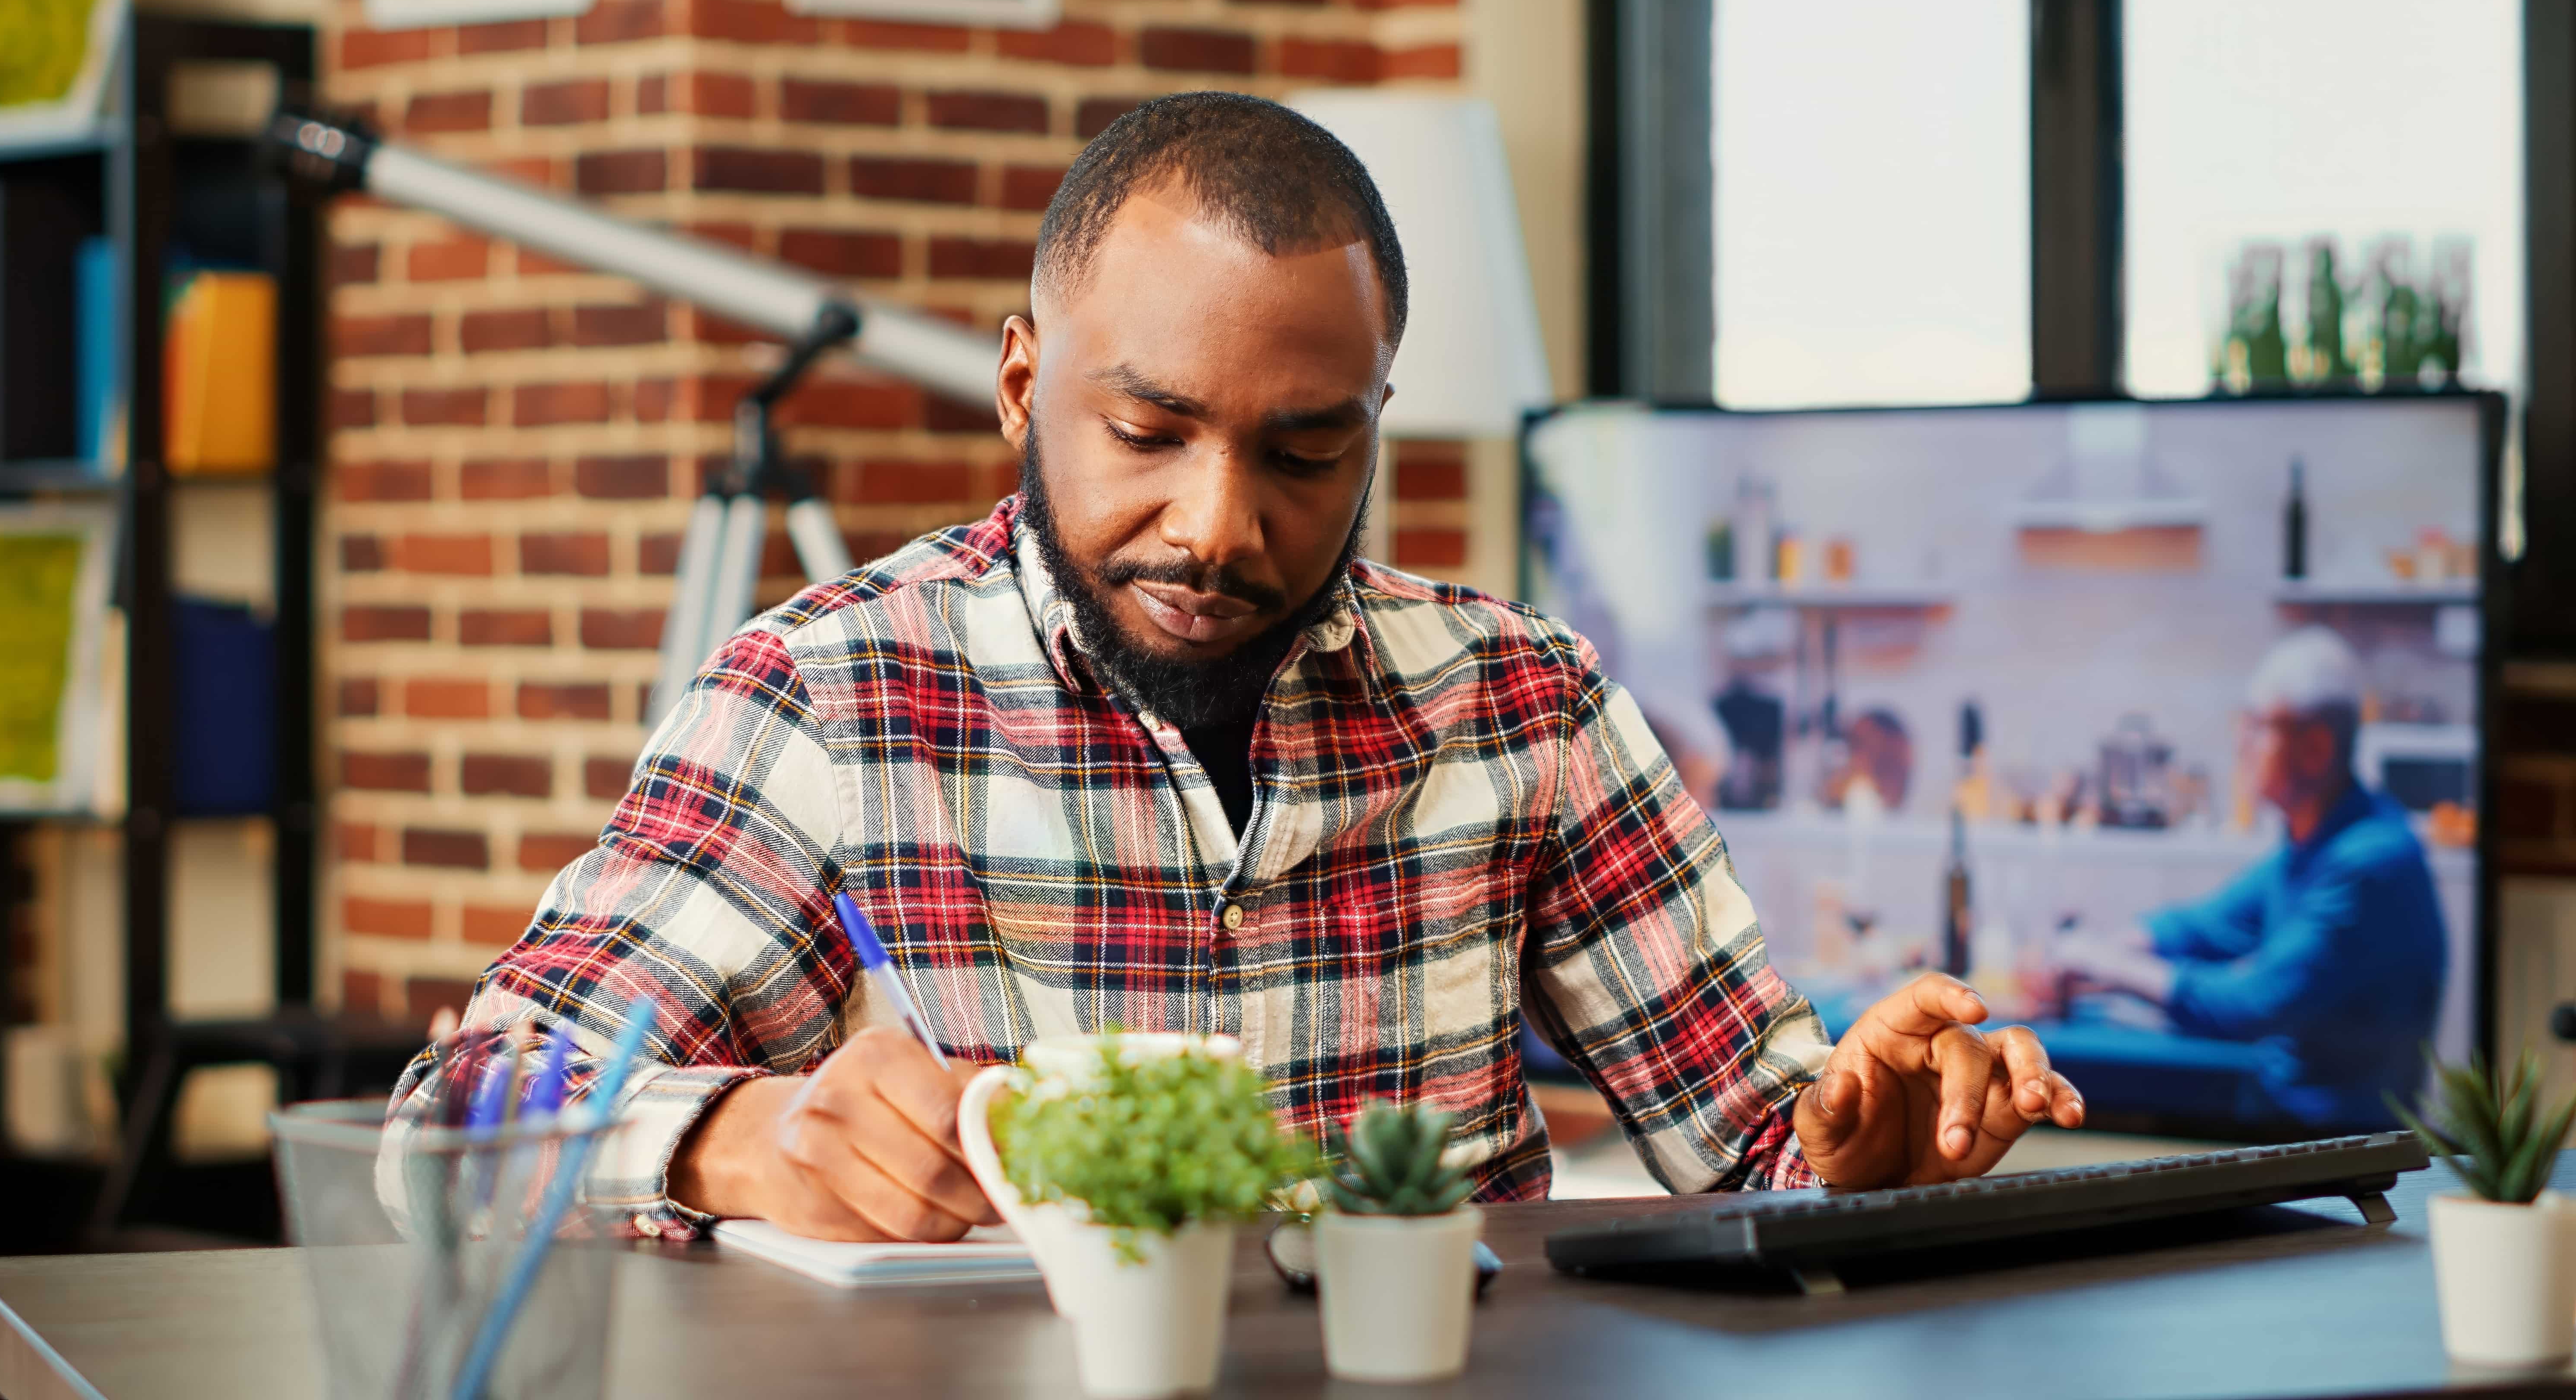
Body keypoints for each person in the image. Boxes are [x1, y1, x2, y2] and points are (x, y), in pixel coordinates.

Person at [393, 93, 2083, 1243]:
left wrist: (1864, 1145)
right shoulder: (831, 697)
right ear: (1016, 383)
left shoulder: (1522, 705)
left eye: (1303, 453)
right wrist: (730, 1142)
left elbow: (1767, 1146)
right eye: (1147, 432)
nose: (1218, 528)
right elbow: (448, 1124)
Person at [2044, 627, 2445, 1129]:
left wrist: (2105, 964)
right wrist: (2096, 956)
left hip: (2330, 1142)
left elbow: (2254, 1004)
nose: (2241, 743)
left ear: (2317, 747)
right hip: (2284, 1113)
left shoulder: (2370, 863)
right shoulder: (2316, 842)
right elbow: (2208, 926)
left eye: (2258, 726)